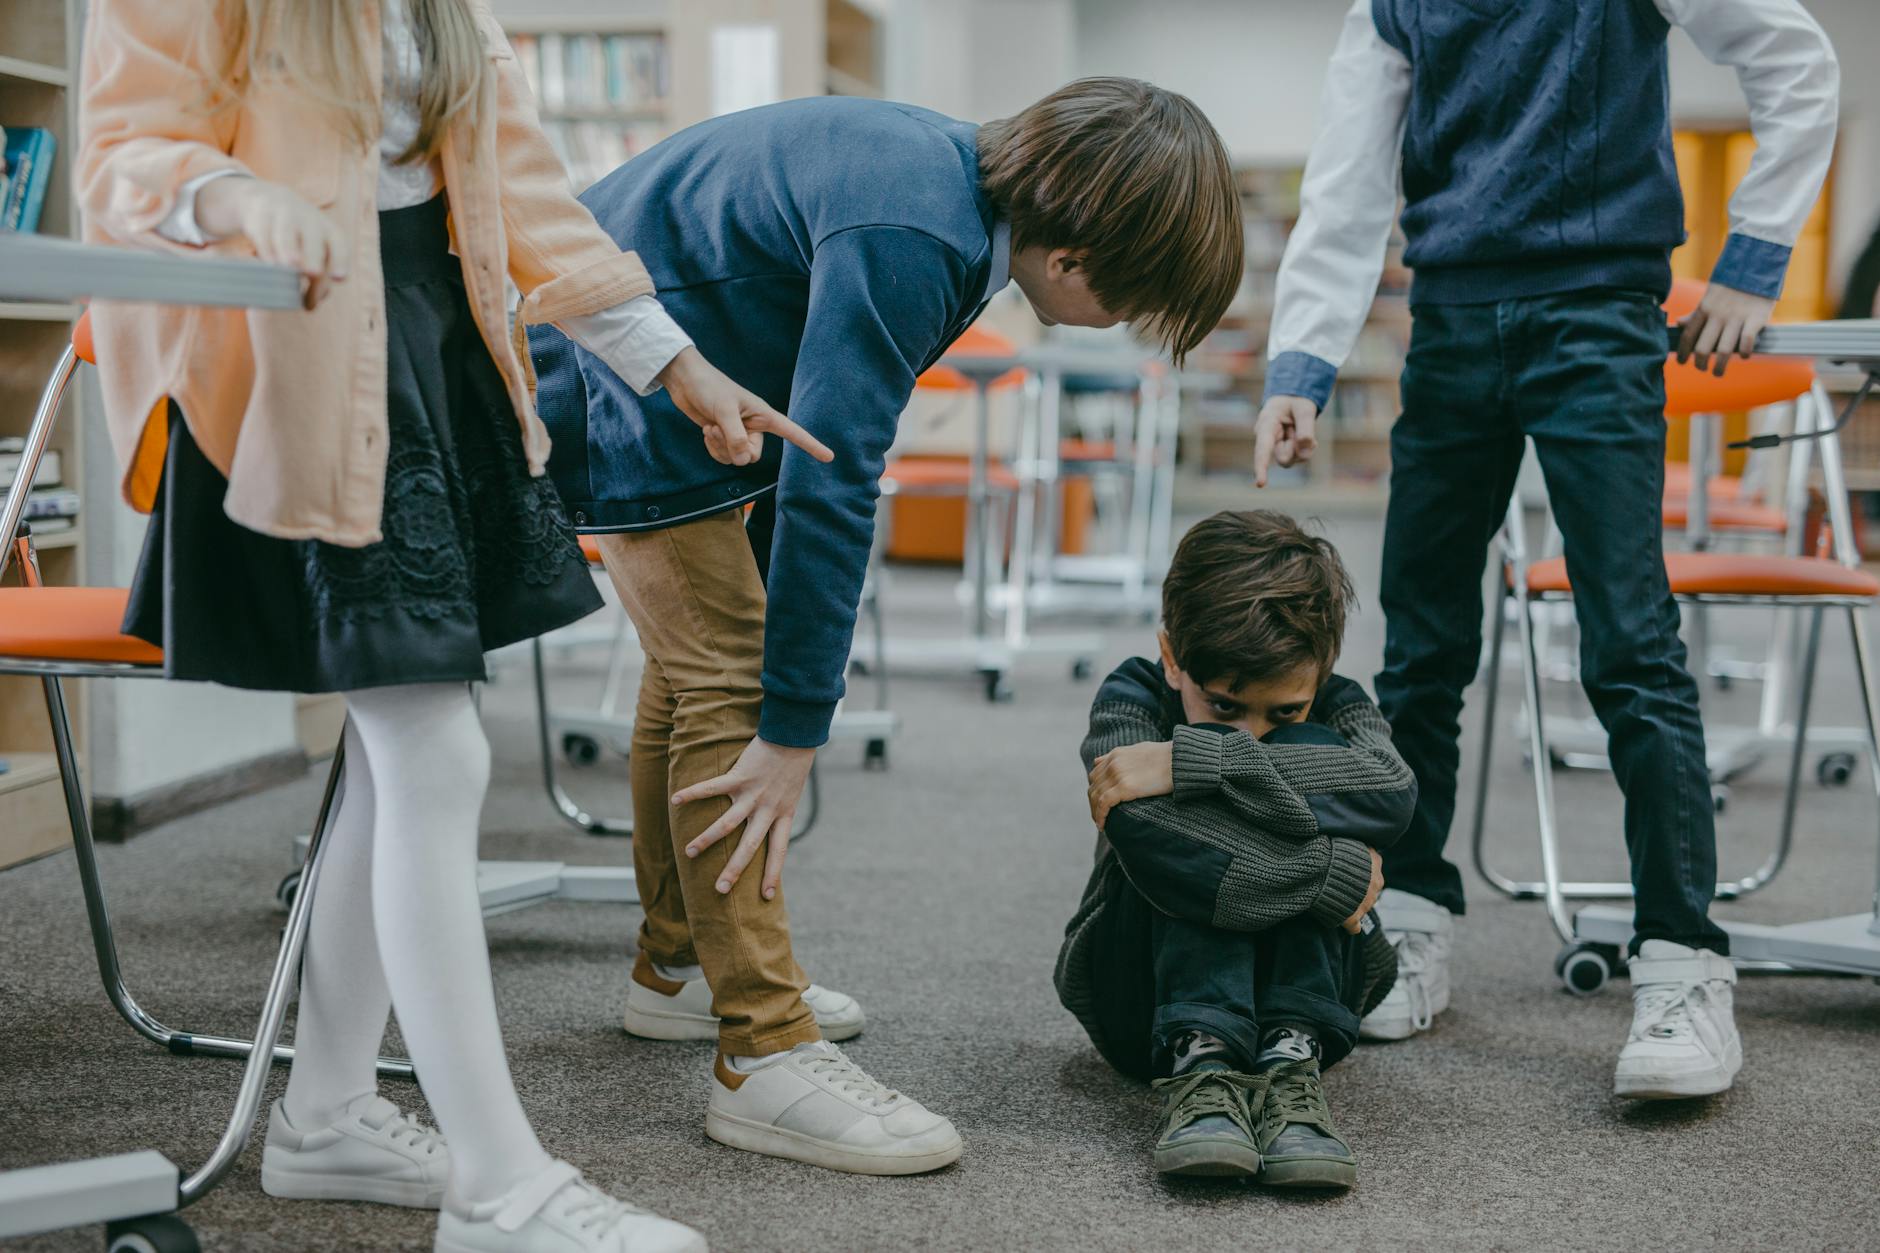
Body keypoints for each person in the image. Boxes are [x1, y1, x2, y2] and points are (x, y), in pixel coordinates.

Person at [78, 2, 825, 1248]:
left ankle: (323, 1113)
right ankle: (498, 1186)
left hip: (432, 339)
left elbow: (520, 189)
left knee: (399, 755)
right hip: (301, 349)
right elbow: (124, 152)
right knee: (431, 752)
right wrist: (231, 198)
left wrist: (674, 365)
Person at [529, 80, 1245, 1175]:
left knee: (694, 671)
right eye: (1135, 303)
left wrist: (788, 688)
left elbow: (808, 433)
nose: (1129, 328)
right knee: (726, 677)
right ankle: (760, 1049)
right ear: (1074, 260)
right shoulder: (917, 229)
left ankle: (674, 968)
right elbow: (836, 471)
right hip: (608, 367)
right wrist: (794, 727)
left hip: (658, 363)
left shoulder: (945, 188)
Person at [1254, 0, 1839, 1097]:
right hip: (1451, 327)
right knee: (1420, 650)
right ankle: (1412, 917)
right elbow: (1343, 180)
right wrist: (1299, 365)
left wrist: (1753, 255)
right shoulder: (1391, 7)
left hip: (1597, 318)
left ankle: (1679, 957)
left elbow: (1797, 60)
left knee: (1630, 644)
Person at [1056, 510, 1410, 1187]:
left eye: (1283, 709)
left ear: (1323, 668)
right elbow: (1150, 837)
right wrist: (1329, 871)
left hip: (1313, 1004)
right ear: (1171, 657)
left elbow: (1391, 791)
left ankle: (1288, 1059)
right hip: (1144, 1003)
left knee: (1304, 755)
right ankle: (1204, 1060)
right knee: (1175, 835)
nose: (1254, 730)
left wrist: (1204, 760)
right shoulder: (1131, 694)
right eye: (1223, 707)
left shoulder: (1337, 702)